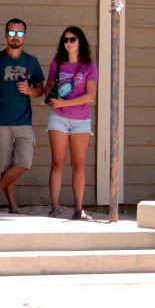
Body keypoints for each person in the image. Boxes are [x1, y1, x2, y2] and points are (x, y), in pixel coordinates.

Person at [0, 18, 45, 214]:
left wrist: (30, 91)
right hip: (0, 120)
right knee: (6, 166)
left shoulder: (32, 61)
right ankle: (12, 205)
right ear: (5, 34)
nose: (15, 37)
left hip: (24, 120)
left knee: (23, 162)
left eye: (20, 34)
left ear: (25, 36)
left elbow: (41, 89)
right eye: (12, 33)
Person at [43, 25, 99, 220]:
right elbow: (49, 85)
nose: (68, 43)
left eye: (72, 39)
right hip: (58, 116)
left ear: (80, 42)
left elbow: (90, 95)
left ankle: (78, 208)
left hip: (81, 119)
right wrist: (50, 94)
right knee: (57, 163)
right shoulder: (56, 63)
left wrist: (66, 102)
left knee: (79, 165)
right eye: (65, 40)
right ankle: (55, 207)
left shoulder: (89, 65)